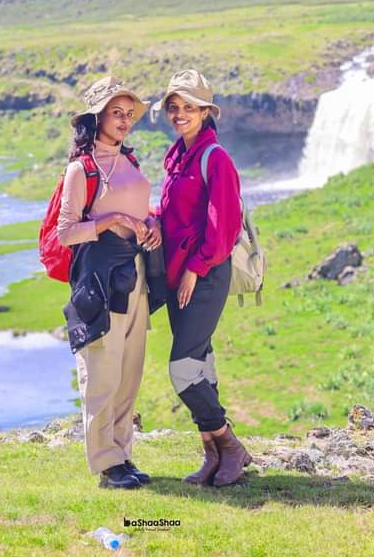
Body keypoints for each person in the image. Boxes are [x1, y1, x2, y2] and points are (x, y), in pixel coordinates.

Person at [57, 75, 163, 490]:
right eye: (116, 113)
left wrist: (150, 223)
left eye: (128, 114)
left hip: (134, 275)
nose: (124, 120)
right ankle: (105, 462)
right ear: (96, 118)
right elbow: (66, 233)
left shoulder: (131, 163)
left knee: (129, 370)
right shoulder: (79, 170)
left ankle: (123, 454)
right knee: (102, 369)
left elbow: (138, 207)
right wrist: (111, 221)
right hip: (100, 280)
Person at [151, 68, 251, 487]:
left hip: (205, 276)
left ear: (206, 112)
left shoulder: (216, 158)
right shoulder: (176, 155)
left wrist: (195, 268)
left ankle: (230, 445)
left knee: (182, 368)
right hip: (180, 277)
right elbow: (176, 215)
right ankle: (212, 455)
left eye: (188, 107)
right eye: (174, 108)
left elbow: (223, 228)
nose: (179, 114)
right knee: (202, 364)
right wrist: (152, 221)